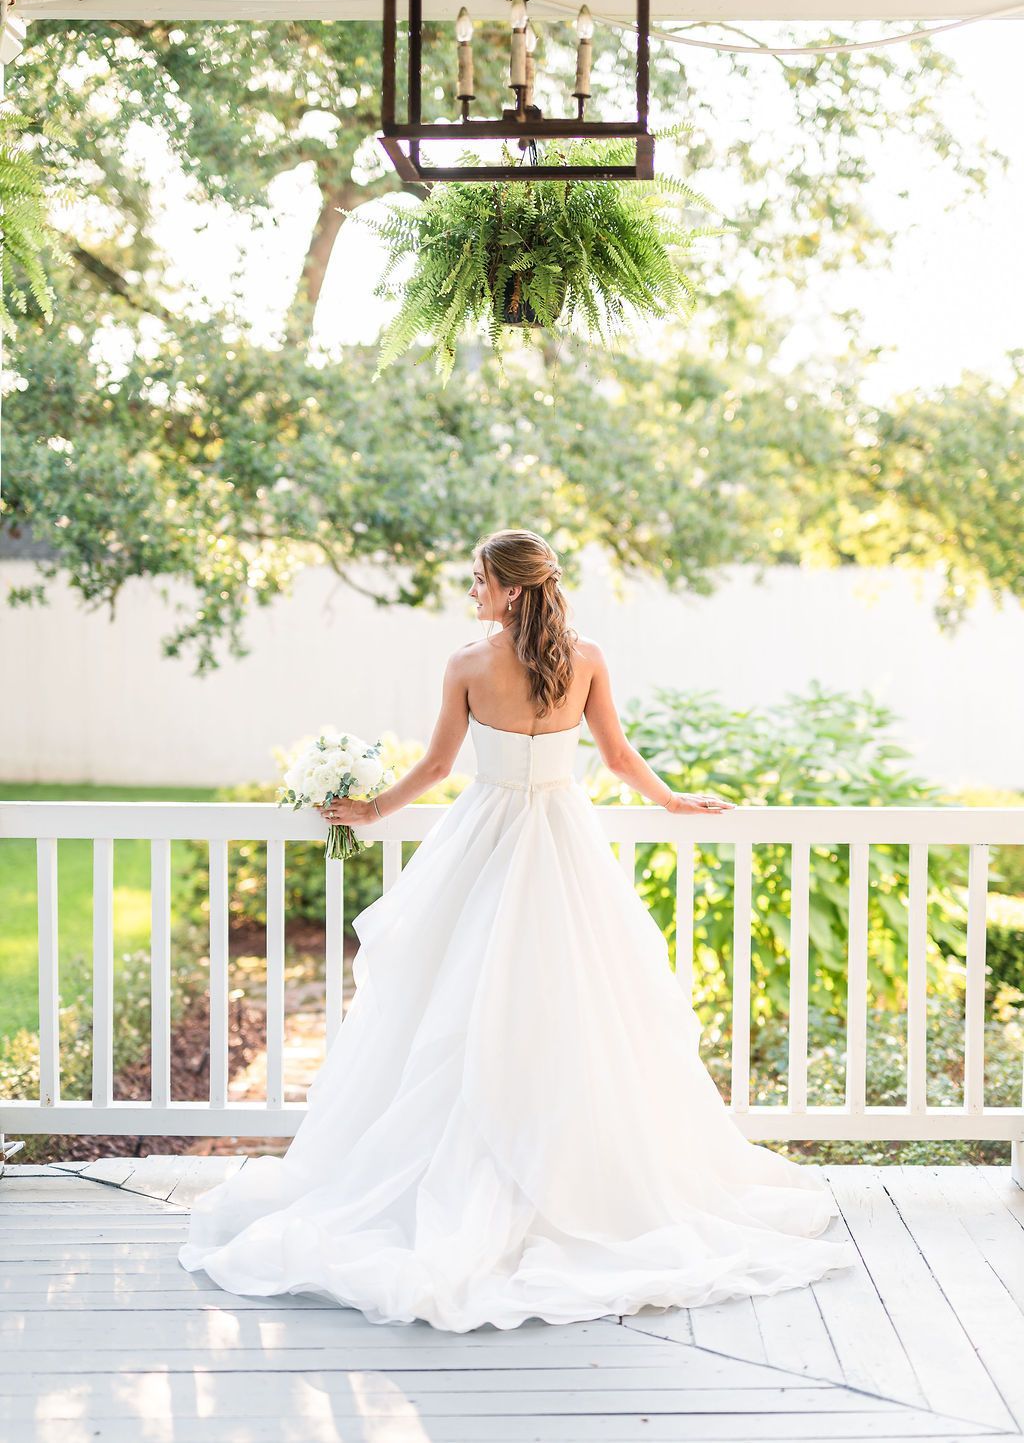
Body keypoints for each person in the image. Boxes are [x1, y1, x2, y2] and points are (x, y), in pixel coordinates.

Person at [177, 527, 858, 1331]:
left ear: (509, 588)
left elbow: (435, 769)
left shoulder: (467, 663)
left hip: (488, 837)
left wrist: (371, 809)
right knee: (572, 1001)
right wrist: (672, 800)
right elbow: (616, 753)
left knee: (459, 1002)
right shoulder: (587, 655)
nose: (470, 591)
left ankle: (486, 1171)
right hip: (564, 836)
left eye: (478, 580)